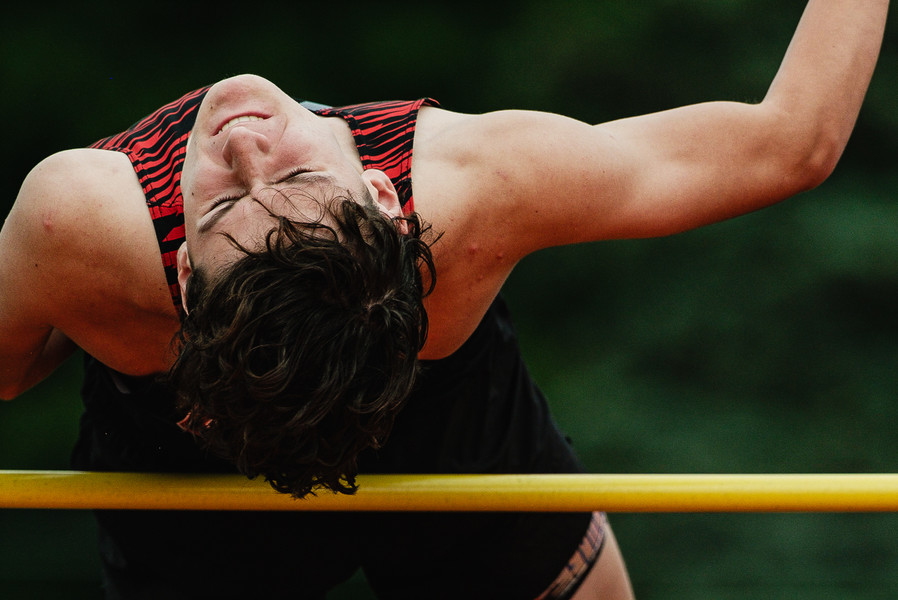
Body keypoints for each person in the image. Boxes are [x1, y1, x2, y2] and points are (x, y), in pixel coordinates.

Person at [0, 1, 887, 598]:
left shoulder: (472, 195)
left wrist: (81, 326)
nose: (245, 146)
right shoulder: (76, 235)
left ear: (391, 205)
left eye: (283, 181)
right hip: (187, 463)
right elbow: (789, 143)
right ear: (182, 280)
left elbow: (790, 145)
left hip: (443, 428)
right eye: (229, 205)